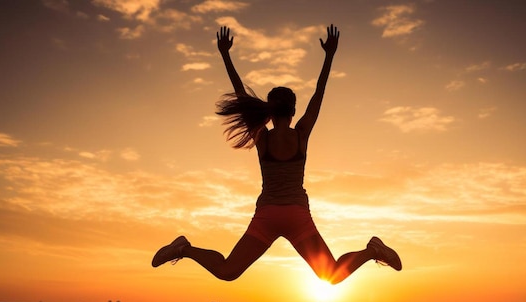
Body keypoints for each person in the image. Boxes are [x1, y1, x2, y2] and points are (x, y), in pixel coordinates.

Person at [152, 24, 401, 284]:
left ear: (268, 112)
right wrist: (329, 56)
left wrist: (225, 55)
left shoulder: (262, 136)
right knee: (332, 275)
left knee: (227, 271)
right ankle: (373, 250)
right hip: (293, 216)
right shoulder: (300, 134)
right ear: (293, 111)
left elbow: (241, 94)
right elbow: (319, 94)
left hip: (271, 215)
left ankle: (184, 248)